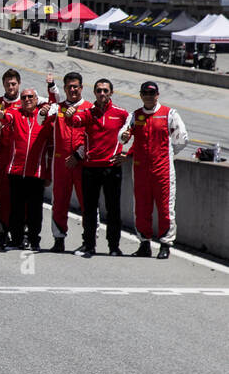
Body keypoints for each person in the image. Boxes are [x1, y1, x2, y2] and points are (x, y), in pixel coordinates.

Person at [121, 81, 187, 259]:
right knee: (141, 208)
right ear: (141, 95)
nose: (149, 96)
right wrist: (124, 136)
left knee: (165, 209)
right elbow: (122, 136)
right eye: (145, 93)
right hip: (141, 171)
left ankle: (165, 244)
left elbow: (182, 139)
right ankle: (144, 244)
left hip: (163, 171)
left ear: (157, 95)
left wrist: (168, 154)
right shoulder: (135, 116)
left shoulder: (169, 114)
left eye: (152, 93)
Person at [65, 79, 129, 258]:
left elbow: (134, 133)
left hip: (111, 168)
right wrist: (70, 114)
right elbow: (75, 122)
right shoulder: (87, 113)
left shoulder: (121, 114)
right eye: (99, 90)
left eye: (105, 90)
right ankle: (89, 244)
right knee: (89, 209)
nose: (102, 93)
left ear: (111, 92)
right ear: (94, 93)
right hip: (90, 168)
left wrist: (128, 154)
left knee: (113, 209)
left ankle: (114, 246)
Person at [0, 90, 52, 251]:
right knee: (16, 208)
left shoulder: (44, 118)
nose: (26, 100)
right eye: (24, 97)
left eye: (30, 97)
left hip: (36, 172)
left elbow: (55, 105)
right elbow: (5, 116)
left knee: (34, 210)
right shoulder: (15, 113)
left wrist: (49, 174)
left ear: (36, 100)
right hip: (16, 171)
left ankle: (34, 240)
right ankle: (16, 239)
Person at [39, 72, 86, 252]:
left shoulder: (89, 108)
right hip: (60, 165)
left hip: (81, 163)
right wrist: (43, 113)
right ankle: (58, 240)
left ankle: (88, 240)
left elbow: (92, 137)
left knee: (86, 203)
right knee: (59, 202)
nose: (73, 90)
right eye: (69, 87)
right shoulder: (57, 108)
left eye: (75, 86)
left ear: (81, 88)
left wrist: (78, 155)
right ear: (65, 88)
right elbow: (41, 121)